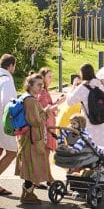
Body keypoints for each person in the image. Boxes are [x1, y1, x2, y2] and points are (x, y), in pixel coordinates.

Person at [15, 73, 53, 204]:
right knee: (31, 166)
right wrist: (46, 113)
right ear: (29, 85)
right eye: (38, 85)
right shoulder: (30, 100)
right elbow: (35, 121)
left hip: (28, 137)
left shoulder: (26, 98)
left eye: (42, 85)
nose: (41, 87)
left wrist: (43, 111)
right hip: (32, 139)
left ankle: (27, 194)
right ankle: (27, 195)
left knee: (29, 166)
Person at [66, 63, 104, 147]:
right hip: (101, 120)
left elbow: (69, 101)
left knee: (89, 148)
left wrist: (73, 86)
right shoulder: (100, 85)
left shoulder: (82, 88)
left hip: (89, 121)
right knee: (100, 148)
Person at [37, 67, 65, 187]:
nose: (51, 78)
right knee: (46, 152)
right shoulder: (43, 91)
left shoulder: (45, 91)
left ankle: (40, 179)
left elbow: (48, 108)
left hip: (48, 124)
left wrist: (55, 107)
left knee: (45, 153)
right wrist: (58, 103)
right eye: (49, 76)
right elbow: (44, 109)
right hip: (46, 126)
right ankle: (48, 178)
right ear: (42, 77)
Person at [0, 54, 18, 196]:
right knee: (12, 152)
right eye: (14, 66)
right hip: (4, 122)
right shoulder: (7, 79)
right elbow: (8, 102)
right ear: (10, 66)